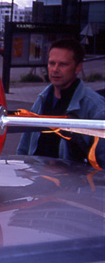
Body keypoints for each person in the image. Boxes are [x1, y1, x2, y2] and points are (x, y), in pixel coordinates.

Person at [17, 38, 105, 169]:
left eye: (63, 64)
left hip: (75, 186)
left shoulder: (95, 108)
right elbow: (24, 149)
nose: (55, 69)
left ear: (78, 67)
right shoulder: (41, 100)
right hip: (36, 182)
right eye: (51, 63)